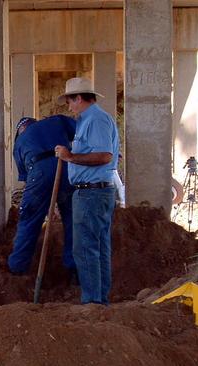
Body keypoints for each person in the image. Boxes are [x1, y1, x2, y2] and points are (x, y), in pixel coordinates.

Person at [54, 77, 119, 305]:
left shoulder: (96, 120)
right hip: (92, 192)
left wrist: (69, 156)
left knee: (85, 248)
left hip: (92, 193)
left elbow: (104, 155)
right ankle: (99, 300)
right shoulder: (88, 120)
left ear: (79, 98)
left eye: (70, 102)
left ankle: (93, 302)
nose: (69, 107)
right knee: (97, 247)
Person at [7, 115, 79, 280]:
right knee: (73, 220)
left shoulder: (19, 144)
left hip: (38, 173)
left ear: (20, 131)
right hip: (67, 167)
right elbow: (83, 133)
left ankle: (17, 268)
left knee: (29, 219)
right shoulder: (56, 121)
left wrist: (45, 207)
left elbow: (27, 182)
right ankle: (75, 270)